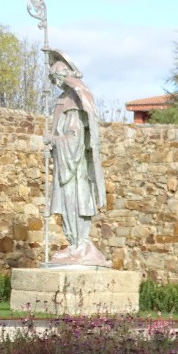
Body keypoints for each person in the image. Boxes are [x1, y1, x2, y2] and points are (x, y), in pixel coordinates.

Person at [44, 49, 109, 267]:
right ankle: (74, 244)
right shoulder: (63, 100)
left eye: (57, 78)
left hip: (75, 167)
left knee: (76, 203)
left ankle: (80, 244)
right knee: (68, 204)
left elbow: (74, 137)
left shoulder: (73, 102)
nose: (56, 83)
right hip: (68, 166)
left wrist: (53, 141)